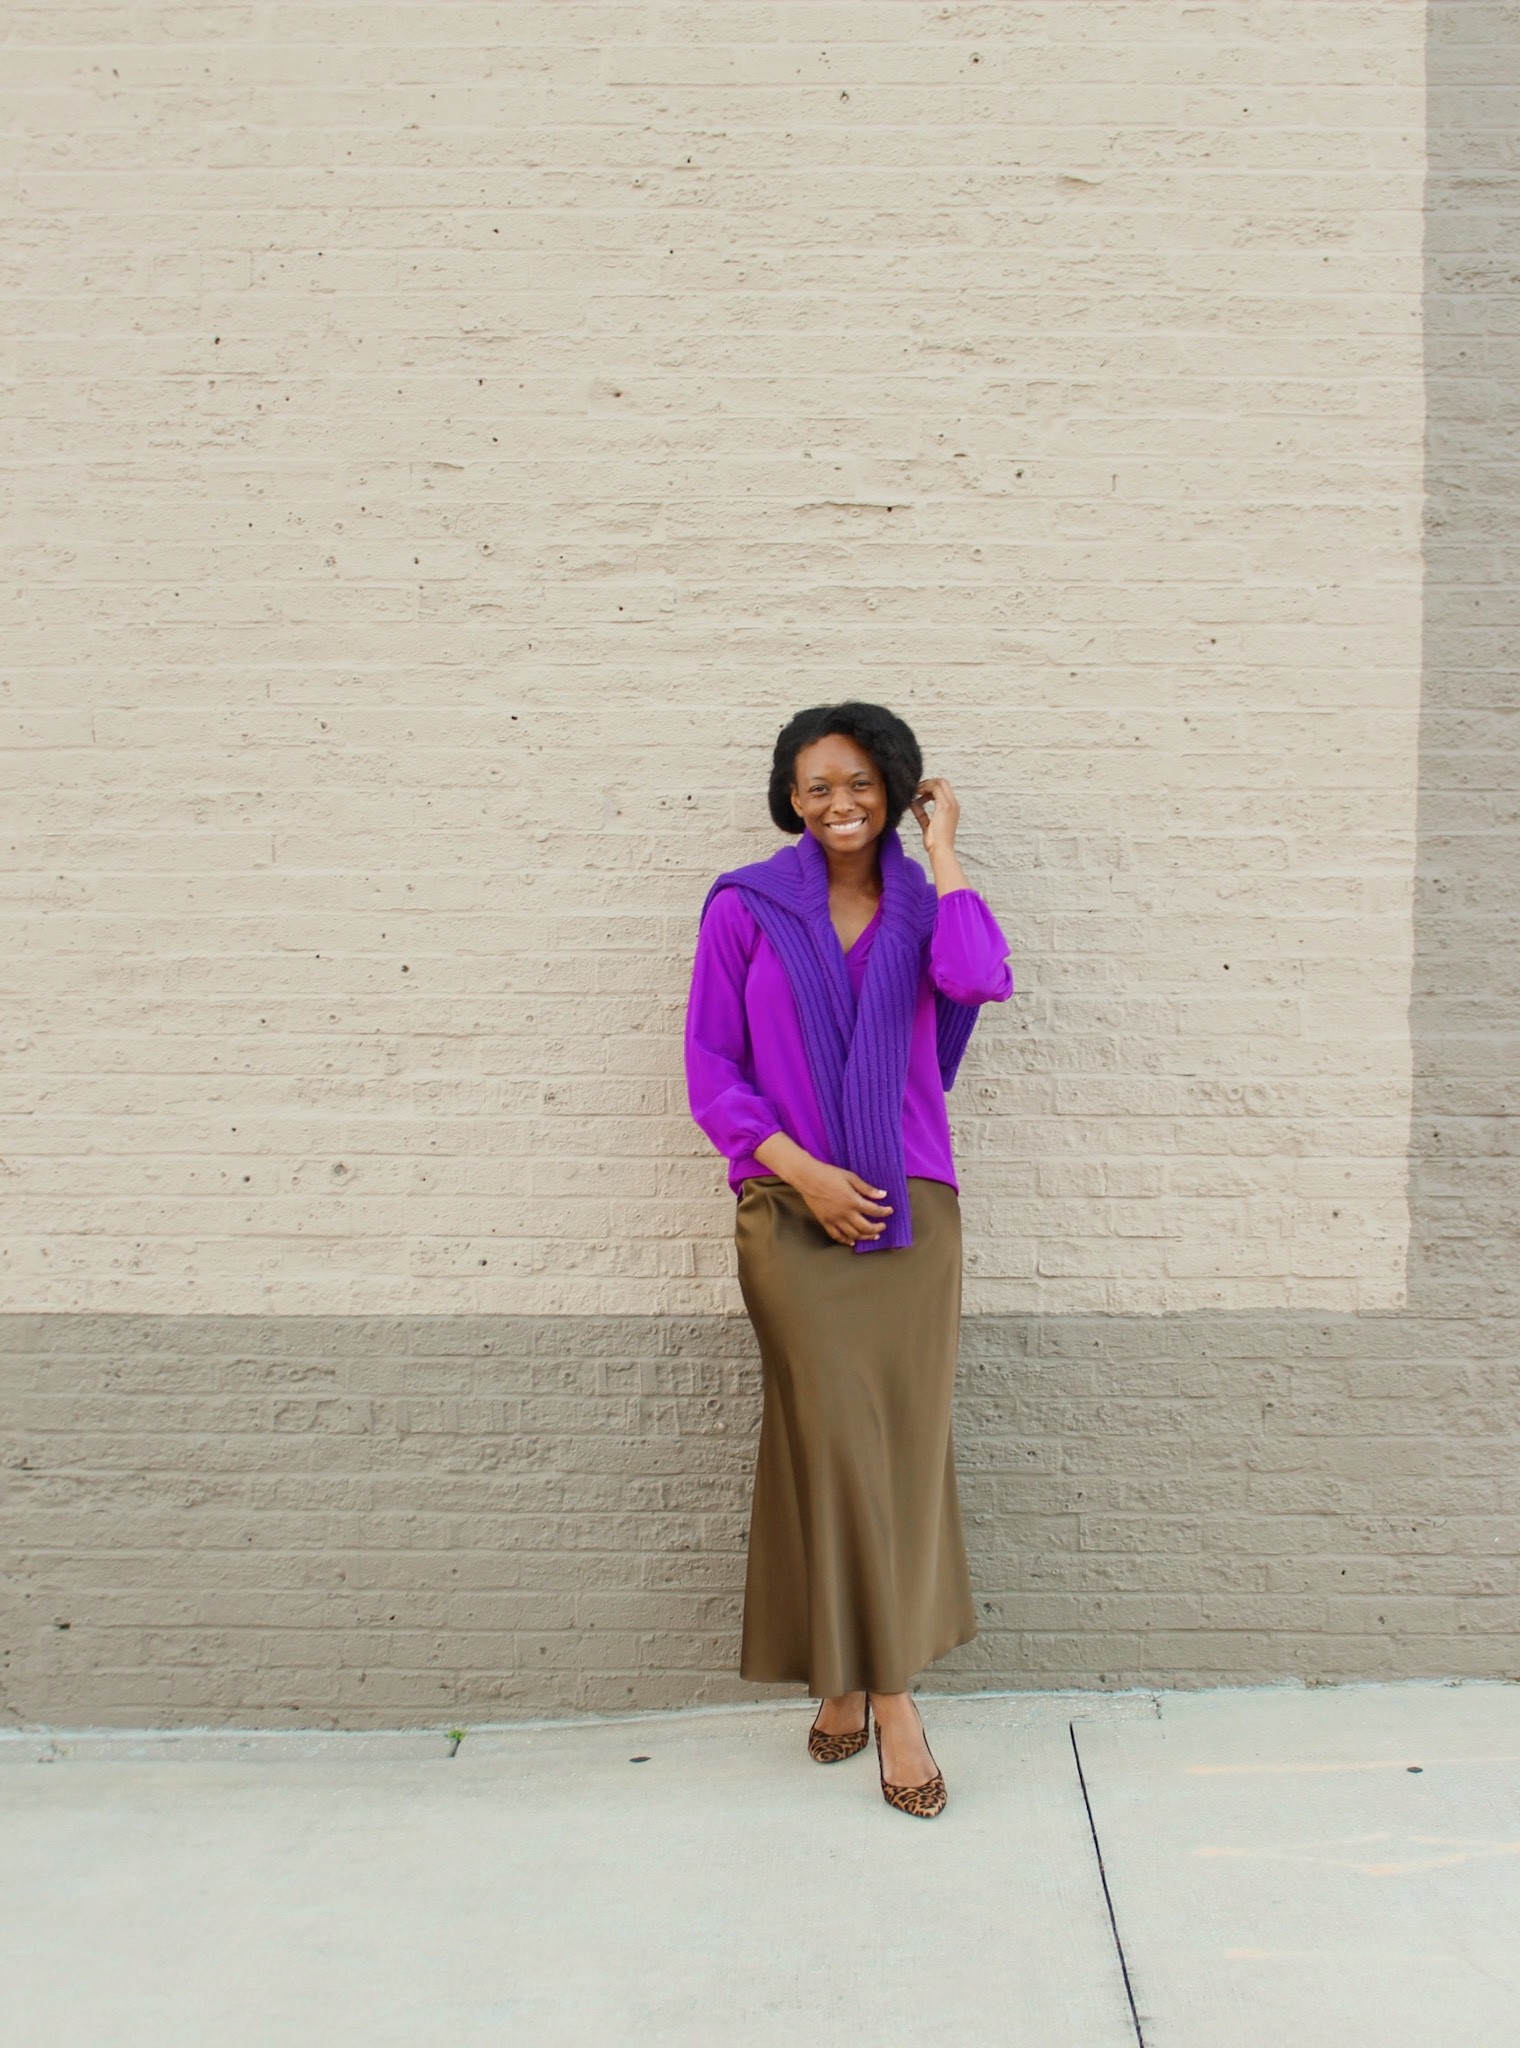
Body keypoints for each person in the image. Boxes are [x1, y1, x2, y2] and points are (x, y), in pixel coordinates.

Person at [684, 701, 1013, 1818]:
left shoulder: (925, 907)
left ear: (894, 790)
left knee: (899, 1451)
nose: (840, 801)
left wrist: (945, 849)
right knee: (825, 1442)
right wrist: (807, 1175)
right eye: (818, 783)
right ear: (789, 795)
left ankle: (867, 1689)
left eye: (863, 782)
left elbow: (977, 979)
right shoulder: (744, 906)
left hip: (911, 1204)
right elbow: (710, 1068)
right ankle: (885, 1697)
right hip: (790, 1206)